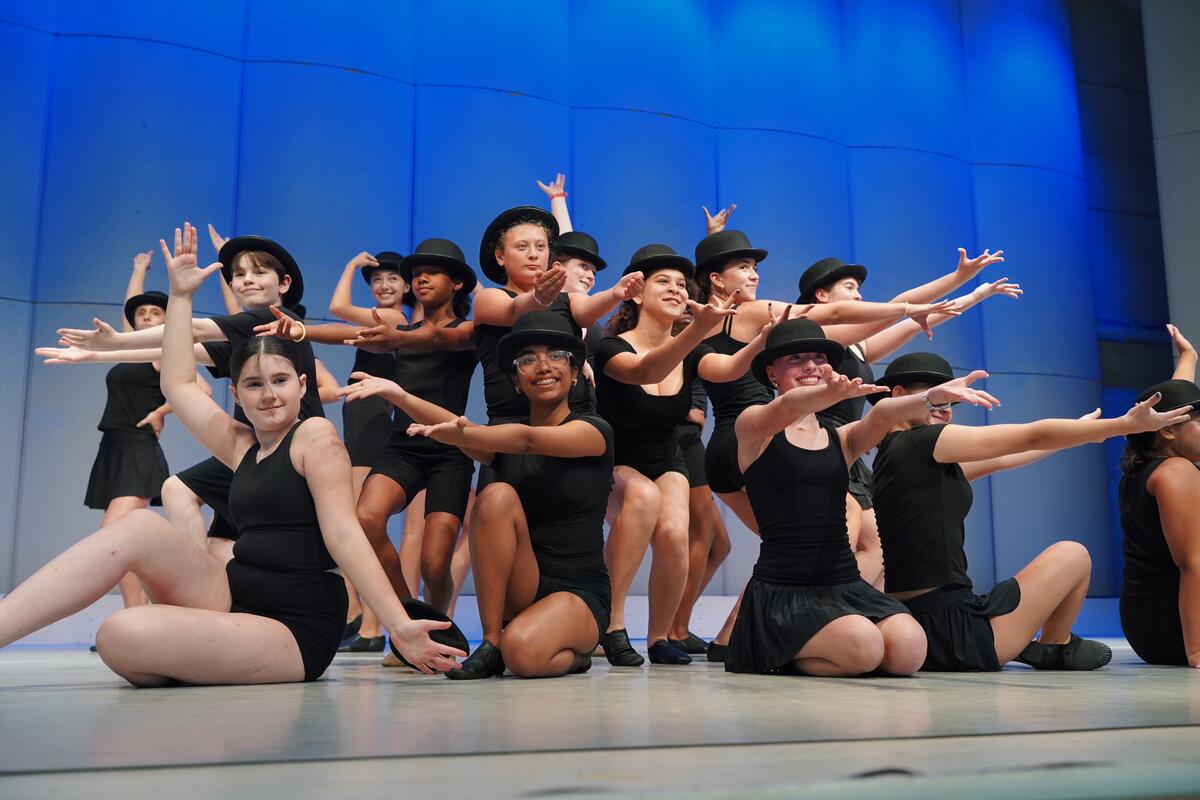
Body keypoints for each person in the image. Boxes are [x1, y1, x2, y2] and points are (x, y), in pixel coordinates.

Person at [0, 224, 465, 684]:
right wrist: (179, 296)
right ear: (238, 398)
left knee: (121, 632)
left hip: (295, 626)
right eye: (253, 385)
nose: (268, 396)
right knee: (140, 525)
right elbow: (178, 382)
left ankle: (195, 646)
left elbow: (345, 537)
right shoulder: (242, 444)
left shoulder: (315, 437)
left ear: (302, 385)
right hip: (233, 595)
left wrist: (398, 625)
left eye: (280, 381)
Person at [871, 352, 1185, 671]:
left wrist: (1078, 433)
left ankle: (1054, 646)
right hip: (953, 634)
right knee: (1073, 554)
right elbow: (1030, 435)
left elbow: (1017, 453)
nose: (945, 411)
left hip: (910, 620)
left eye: (950, 402)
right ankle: (1054, 645)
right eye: (936, 399)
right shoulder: (922, 442)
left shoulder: (893, 455)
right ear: (898, 396)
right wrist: (1123, 426)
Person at [341, 311, 612, 679]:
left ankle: (573, 653)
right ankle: (491, 641)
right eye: (527, 360)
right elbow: (457, 430)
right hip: (524, 581)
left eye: (556, 356)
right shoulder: (502, 442)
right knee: (496, 494)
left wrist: (463, 433)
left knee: (525, 655)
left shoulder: (593, 431)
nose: (543, 366)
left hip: (579, 592)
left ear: (576, 372)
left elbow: (525, 439)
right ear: (516, 380)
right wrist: (400, 394)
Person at [725, 319, 993, 676]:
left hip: (843, 584)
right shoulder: (753, 425)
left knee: (909, 648)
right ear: (772, 372)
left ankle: (830, 642)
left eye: (818, 357)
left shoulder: (841, 440)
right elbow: (787, 409)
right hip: (787, 593)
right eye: (797, 358)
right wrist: (827, 393)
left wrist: (933, 397)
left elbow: (882, 413)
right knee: (864, 648)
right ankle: (774, 647)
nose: (810, 365)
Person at [41, 226, 325, 558]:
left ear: (284, 283)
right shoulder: (248, 340)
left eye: (260, 272)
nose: (248, 279)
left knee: (314, 537)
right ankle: (199, 579)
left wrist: (116, 340)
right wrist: (97, 355)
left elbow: (190, 329)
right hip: (256, 449)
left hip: (295, 447)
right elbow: (175, 350)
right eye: (239, 274)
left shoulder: (276, 317)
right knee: (179, 491)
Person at [258, 240, 478, 622]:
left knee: (434, 564)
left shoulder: (470, 331)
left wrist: (401, 340)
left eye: (433, 272)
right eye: (416, 273)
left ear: (458, 283)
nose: (421, 277)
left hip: (449, 451)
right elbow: (347, 333)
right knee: (365, 519)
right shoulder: (397, 326)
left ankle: (439, 621)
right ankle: (409, 617)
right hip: (403, 447)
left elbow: (443, 338)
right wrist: (298, 332)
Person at [595, 244, 782, 666]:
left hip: (667, 456)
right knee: (642, 497)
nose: (677, 289)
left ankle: (660, 637)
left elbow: (728, 369)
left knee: (678, 534)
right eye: (664, 281)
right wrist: (697, 331)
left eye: (682, 283)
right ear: (637, 294)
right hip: (612, 461)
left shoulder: (691, 350)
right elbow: (647, 371)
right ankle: (612, 623)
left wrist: (762, 342)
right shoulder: (611, 347)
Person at [796, 250, 1014, 589]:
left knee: (877, 549)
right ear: (822, 295)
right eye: (850, 287)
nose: (859, 295)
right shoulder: (816, 335)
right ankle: (821, 607)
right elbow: (903, 306)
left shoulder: (856, 347)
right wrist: (958, 277)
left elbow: (917, 321)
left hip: (847, 456)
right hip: (820, 448)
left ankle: (836, 606)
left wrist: (976, 294)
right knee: (832, 549)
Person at [85, 252, 211, 610]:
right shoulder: (132, 349)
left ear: (166, 320)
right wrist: (138, 268)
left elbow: (200, 389)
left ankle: (140, 614)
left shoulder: (161, 351)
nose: (146, 316)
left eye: (155, 313)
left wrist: (160, 410)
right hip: (113, 448)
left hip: (139, 449)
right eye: (142, 314)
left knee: (115, 535)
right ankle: (135, 613)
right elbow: (130, 305)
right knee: (118, 537)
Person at [1118, 326, 1200, 668]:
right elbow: (1193, 563)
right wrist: (1196, 651)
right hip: (1176, 628)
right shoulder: (1176, 472)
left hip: (1149, 625)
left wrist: (1188, 359)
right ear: (1166, 431)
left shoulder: (1145, 467)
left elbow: (1171, 404)